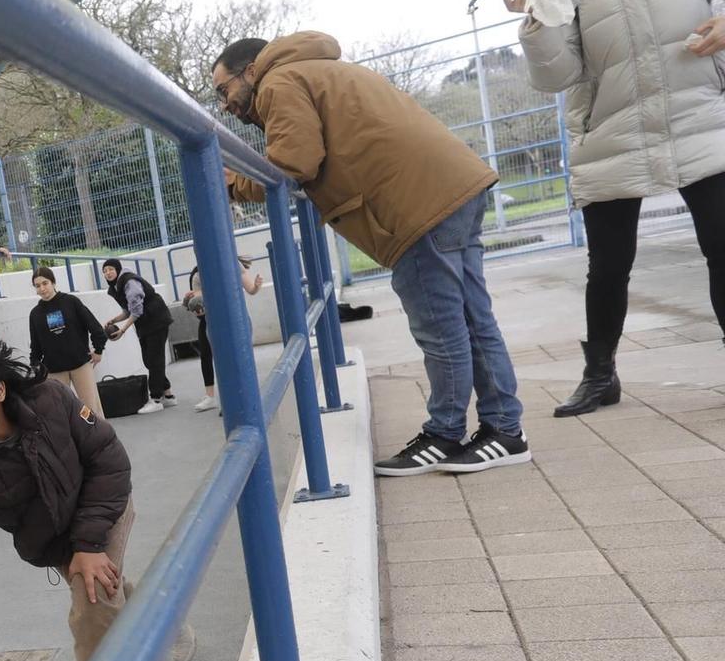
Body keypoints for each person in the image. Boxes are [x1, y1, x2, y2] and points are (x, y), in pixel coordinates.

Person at [214, 33, 529, 476]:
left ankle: (446, 434)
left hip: (415, 203)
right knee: (473, 318)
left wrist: (235, 185)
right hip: (451, 186)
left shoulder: (277, 83)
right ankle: (504, 431)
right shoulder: (314, 69)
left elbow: (295, 162)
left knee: (441, 327)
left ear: (250, 70)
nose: (226, 105)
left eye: (223, 90)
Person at [508, 0, 725, 417]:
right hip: (612, 131)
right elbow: (557, 77)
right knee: (608, 264)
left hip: (701, 118)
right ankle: (599, 376)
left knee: (723, 249)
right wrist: (538, 21)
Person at [0, 336, 190, 661]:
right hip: (55, 538)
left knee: (94, 599)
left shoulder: (50, 399)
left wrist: (88, 544)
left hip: (103, 503)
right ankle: (166, 616)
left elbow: (108, 460)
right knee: (106, 588)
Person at [184, 258, 266, 412]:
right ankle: (229, 401)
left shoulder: (232, 263)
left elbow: (251, 289)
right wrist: (194, 303)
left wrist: (256, 286)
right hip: (214, 323)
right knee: (222, 362)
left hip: (239, 319)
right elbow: (200, 303)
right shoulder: (198, 275)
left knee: (242, 358)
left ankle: (248, 397)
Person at [26, 265, 107, 418]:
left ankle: (101, 440)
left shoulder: (71, 302)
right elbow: (35, 345)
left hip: (80, 365)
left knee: (91, 410)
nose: (42, 289)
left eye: (45, 283)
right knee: (60, 413)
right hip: (54, 371)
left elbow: (94, 327)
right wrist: (35, 367)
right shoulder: (35, 314)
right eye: (38, 286)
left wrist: (98, 350)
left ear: (53, 282)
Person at [101, 259, 174, 413]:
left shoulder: (129, 282)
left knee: (155, 360)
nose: (107, 273)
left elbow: (137, 311)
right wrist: (114, 320)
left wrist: (122, 330)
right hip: (146, 324)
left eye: (110, 269)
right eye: (105, 270)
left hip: (157, 320)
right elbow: (128, 310)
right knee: (150, 360)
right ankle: (168, 396)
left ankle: (155, 399)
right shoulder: (116, 287)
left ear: (118, 269)